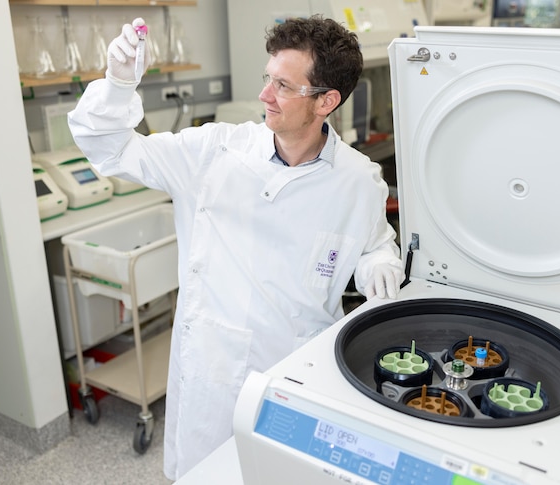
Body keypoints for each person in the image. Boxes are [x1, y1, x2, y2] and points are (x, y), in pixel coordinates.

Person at [68, 15, 404, 480]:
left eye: (283, 86)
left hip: (296, 371)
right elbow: (109, 149)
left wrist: (378, 264)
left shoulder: (358, 180)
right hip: (212, 368)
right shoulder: (213, 153)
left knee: (282, 474)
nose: (265, 95)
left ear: (326, 101)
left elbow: (372, 246)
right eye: (268, 78)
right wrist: (118, 83)